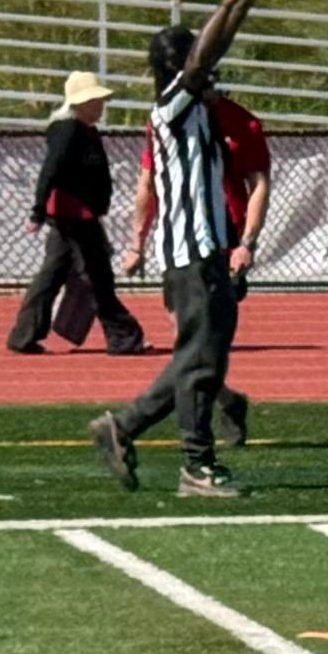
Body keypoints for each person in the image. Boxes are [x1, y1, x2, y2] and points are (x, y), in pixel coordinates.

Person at [89, 0, 273, 498]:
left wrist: (243, 2)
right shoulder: (173, 106)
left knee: (202, 358)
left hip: (204, 252)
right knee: (200, 362)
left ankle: (121, 429)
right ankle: (195, 465)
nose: (211, 66)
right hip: (191, 255)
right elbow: (203, 59)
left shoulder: (190, 108)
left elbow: (211, 53)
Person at [121, 87, 271, 446]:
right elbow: (148, 183)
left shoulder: (241, 122)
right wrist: (135, 243)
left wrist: (246, 243)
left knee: (200, 341)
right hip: (179, 244)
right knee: (186, 339)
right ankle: (226, 401)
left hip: (221, 243)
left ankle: (174, 437)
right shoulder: (168, 117)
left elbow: (259, 184)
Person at [6, 69, 145, 356]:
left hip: (76, 215)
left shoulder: (82, 130)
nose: (100, 106)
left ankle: (24, 334)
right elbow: (51, 169)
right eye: (95, 101)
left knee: (53, 274)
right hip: (74, 215)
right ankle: (124, 336)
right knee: (97, 275)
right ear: (79, 103)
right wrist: (37, 211)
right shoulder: (67, 130)